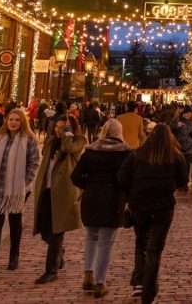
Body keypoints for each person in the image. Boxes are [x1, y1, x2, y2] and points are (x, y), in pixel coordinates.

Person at [118, 123, 188, 303]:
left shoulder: (137, 154)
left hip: (139, 206)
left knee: (141, 244)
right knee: (154, 250)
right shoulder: (175, 156)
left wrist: (131, 194)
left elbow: (122, 178)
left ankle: (139, 283)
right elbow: (182, 181)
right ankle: (148, 293)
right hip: (163, 208)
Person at [0, 108, 40, 280]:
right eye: (11, 119)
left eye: (17, 120)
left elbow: (34, 163)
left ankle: (14, 256)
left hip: (17, 189)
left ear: (23, 122)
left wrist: (24, 183)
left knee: (14, 221)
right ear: (6, 121)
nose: (13, 123)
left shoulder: (29, 139)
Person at [71, 118, 131, 298]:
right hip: (113, 199)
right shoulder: (125, 153)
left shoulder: (91, 151)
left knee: (91, 236)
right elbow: (126, 179)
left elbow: (75, 176)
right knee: (106, 242)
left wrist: (88, 185)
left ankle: (87, 274)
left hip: (91, 198)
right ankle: (100, 281)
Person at [33, 114, 85, 284]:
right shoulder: (50, 141)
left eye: (62, 128)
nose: (58, 131)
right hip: (46, 190)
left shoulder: (79, 140)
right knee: (44, 230)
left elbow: (69, 148)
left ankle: (51, 270)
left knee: (56, 232)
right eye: (57, 127)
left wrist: (67, 133)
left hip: (62, 192)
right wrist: (54, 129)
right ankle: (59, 252)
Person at [171, 106, 192, 188]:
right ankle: (178, 182)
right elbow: (171, 128)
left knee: (187, 166)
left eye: (190, 114)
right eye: (188, 113)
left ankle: (185, 183)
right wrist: (176, 126)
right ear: (184, 113)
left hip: (189, 148)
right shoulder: (178, 120)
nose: (189, 115)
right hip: (179, 147)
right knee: (178, 166)